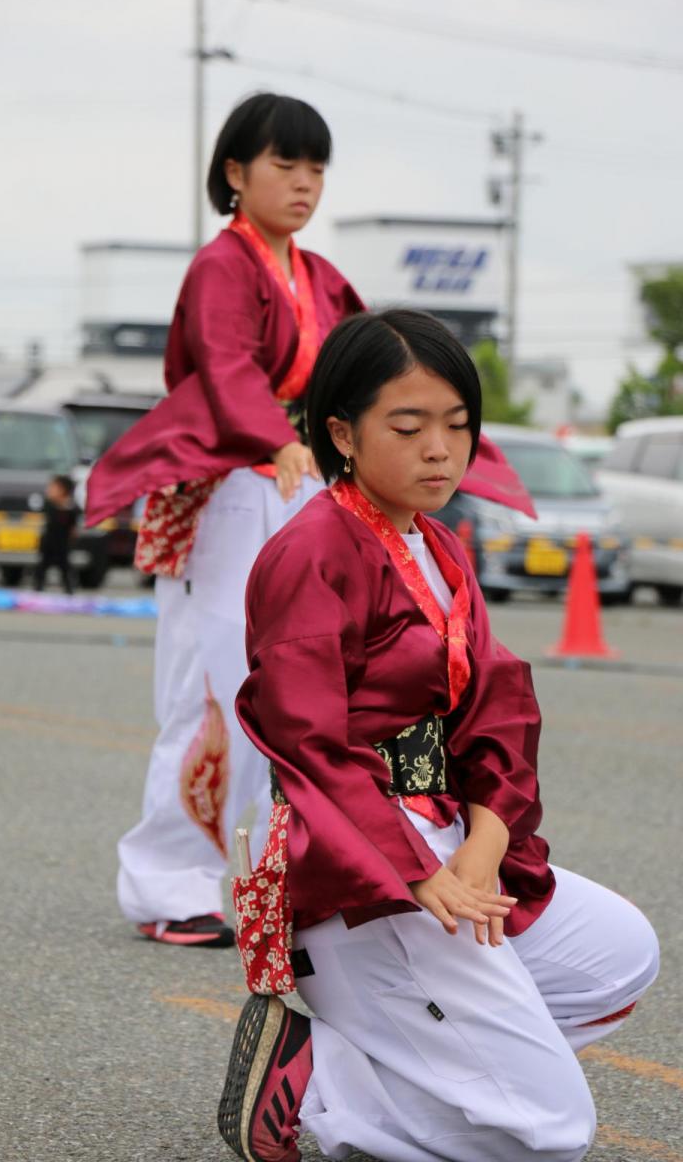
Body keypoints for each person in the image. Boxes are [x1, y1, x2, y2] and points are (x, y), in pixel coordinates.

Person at [218, 309, 660, 1162]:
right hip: (358, 869)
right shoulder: (310, 552)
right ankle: (331, 1094)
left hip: (449, 836)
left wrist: (484, 845)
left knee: (616, 957)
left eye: (458, 427)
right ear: (341, 432)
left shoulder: (442, 547)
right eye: (408, 426)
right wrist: (417, 871)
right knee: (551, 1136)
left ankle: (367, 1070)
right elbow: (307, 743)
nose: (439, 451)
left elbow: (499, 708)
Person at [85, 93, 364, 947]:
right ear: (235, 173)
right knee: (212, 690)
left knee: (298, 690)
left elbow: (363, 364)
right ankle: (170, 886)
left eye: (316, 167)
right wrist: (280, 439)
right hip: (231, 484)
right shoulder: (223, 266)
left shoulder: (317, 278)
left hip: (298, 481)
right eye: (285, 164)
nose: (304, 182)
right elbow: (225, 366)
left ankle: (262, 879)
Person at [34, 474, 78, 594]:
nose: (49, 490)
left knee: (65, 569)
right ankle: (38, 590)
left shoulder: (72, 508)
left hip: (63, 544)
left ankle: (69, 591)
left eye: (53, 488)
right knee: (41, 568)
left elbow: (73, 528)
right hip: (48, 543)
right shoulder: (48, 505)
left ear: (63, 490)